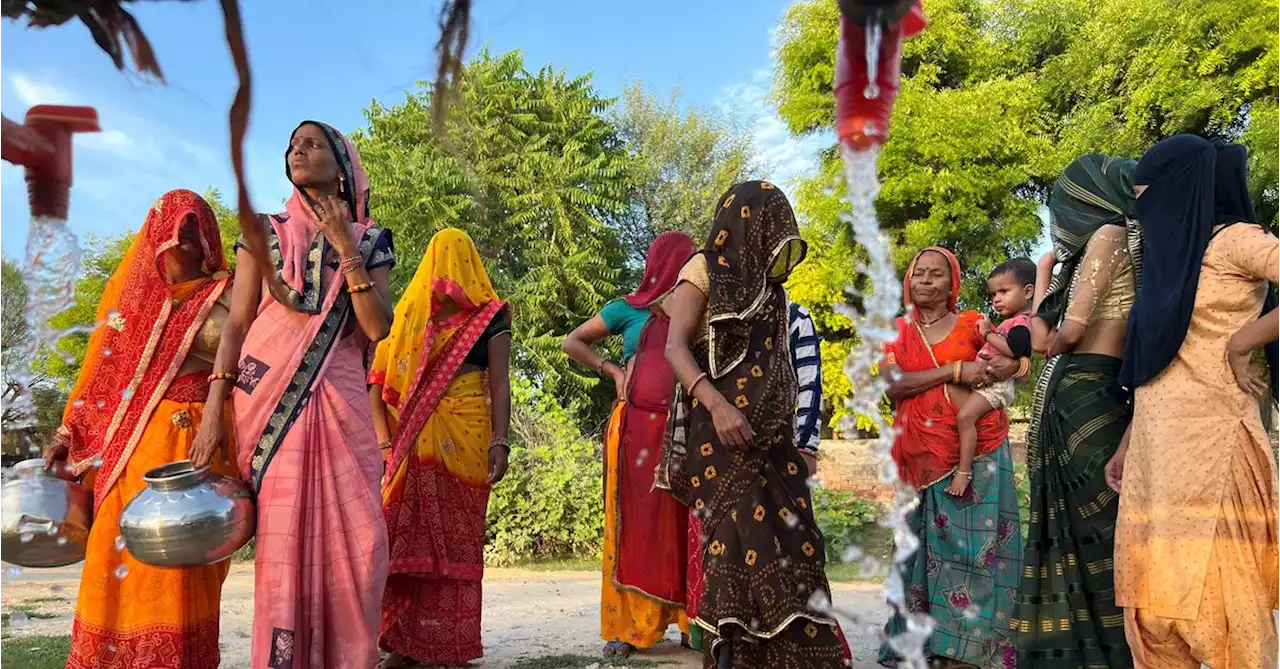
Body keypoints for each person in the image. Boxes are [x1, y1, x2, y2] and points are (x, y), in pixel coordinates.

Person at [190, 120, 396, 668]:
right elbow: (234, 327)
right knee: (283, 549)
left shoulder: (372, 239)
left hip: (343, 404)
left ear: (343, 164)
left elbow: (377, 327)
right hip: (269, 406)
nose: (296, 151)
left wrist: (345, 245)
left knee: (363, 546)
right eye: (291, 146)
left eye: (312, 144)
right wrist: (215, 407)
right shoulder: (264, 231)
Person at [1106, 135, 1280, 668]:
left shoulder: (1236, 242)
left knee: (1222, 600)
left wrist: (1244, 339)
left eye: (1148, 199)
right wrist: (1128, 441)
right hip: (1155, 456)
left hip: (1214, 449)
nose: (1144, 215)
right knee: (1153, 612)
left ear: (1179, 192)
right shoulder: (1173, 262)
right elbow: (1161, 362)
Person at [42, 189, 234, 669]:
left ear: (210, 239)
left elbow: (256, 361)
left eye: (194, 231)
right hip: (130, 454)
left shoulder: (228, 291)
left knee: (182, 565)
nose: (183, 242)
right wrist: (70, 434)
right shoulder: (134, 308)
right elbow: (101, 379)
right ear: (155, 238)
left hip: (195, 446)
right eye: (174, 232)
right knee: (118, 557)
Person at [659, 181, 847, 668]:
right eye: (771, 227)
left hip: (773, 442)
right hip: (720, 437)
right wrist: (719, 406)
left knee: (793, 543)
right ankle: (731, 659)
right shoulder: (699, 270)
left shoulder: (772, 294)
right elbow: (674, 349)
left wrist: (801, 440)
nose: (778, 240)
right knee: (735, 544)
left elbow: (786, 371)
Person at [1011, 153, 1138, 668]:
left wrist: (1047, 275)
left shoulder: (1108, 236)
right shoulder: (1134, 244)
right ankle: (1102, 649)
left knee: (1095, 526)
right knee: (1096, 526)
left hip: (1085, 391)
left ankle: (1098, 652)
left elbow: (1056, 337)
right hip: (1096, 391)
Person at [876, 246, 1026, 669]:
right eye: (918, 273)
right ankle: (920, 646)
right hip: (918, 458)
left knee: (972, 552)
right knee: (919, 554)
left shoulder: (971, 322)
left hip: (977, 452)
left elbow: (1014, 362)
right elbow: (894, 385)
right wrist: (955, 371)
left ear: (951, 283)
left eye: (936, 274)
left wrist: (1002, 370)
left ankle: (966, 650)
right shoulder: (896, 330)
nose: (925, 280)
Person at [368, 227, 511, 668]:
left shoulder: (492, 316)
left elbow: (500, 384)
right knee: (402, 535)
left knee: (459, 538)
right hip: (410, 444)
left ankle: (451, 644)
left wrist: (501, 441)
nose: (450, 272)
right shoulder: (412, 315)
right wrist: (384, 442)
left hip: (467, 437)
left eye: (457, 260)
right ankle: (403, 643)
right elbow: (378, 381)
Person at [562, 230, 698, 658]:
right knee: (632, 525)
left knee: (683, 525)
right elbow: (573, 342)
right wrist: (614, 372)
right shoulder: (628, 309)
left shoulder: (701, 310)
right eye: (685, 262)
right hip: (634, 430)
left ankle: (692, 625)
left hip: (685, 430)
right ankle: (628, 627)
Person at [950, 258, 1034, 497]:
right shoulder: (1011, 322)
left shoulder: (1021, 323)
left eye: (1004, 292)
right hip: (990, 385)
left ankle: (963, 472)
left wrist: (987, 333)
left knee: (965, 417)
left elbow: (1016, 351)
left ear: (1028, 291)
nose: (996, 298)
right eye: (994, 293)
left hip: (996, 386)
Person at [788, 301, 823, 475]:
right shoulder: (705, 314)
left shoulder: (793, 316)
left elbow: (810, 384)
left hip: (781, 448)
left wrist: (807, 447)